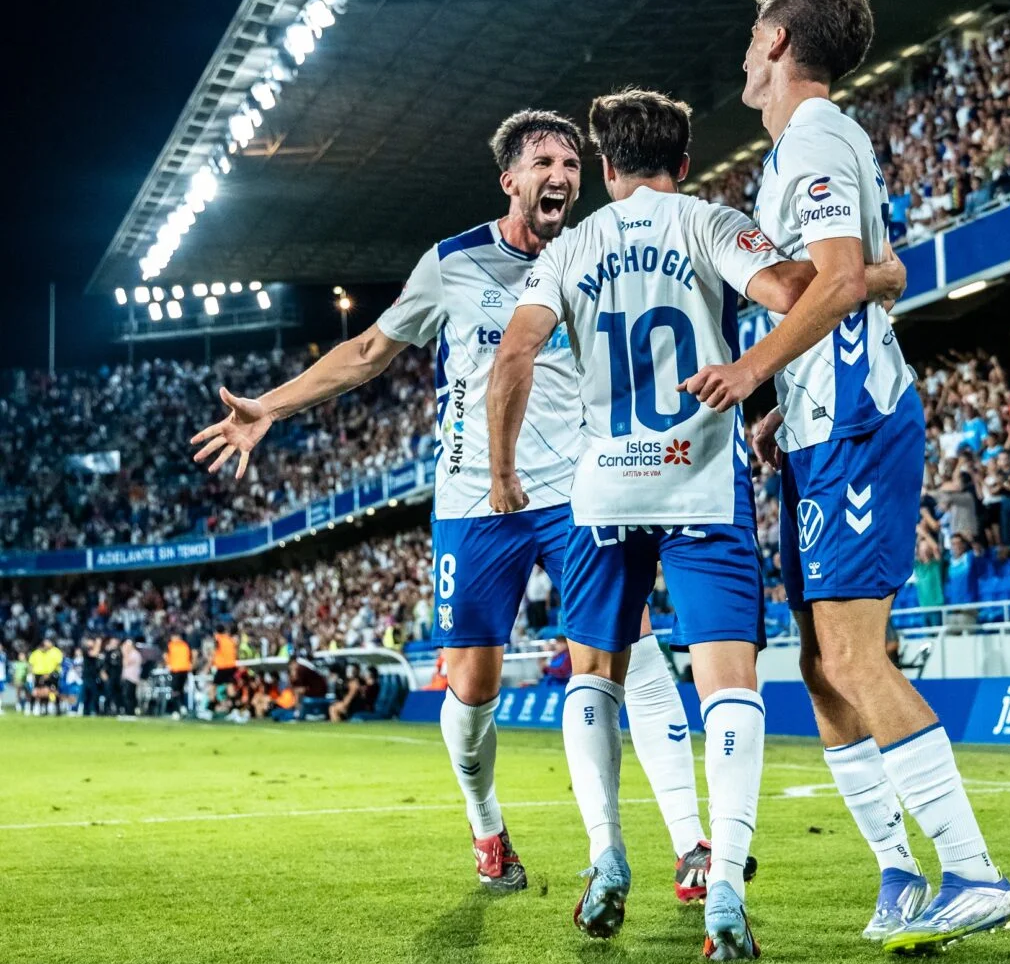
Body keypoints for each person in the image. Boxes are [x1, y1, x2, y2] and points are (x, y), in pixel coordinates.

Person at [189, 111, 726, 900]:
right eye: (545, 160)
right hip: (475, 501)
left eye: (573, 162)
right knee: (473, 687)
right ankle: (487, 828)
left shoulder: (596, 251)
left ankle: (690, 845)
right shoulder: (452, 264)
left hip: (581, 494)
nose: (563, 174)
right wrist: (271, 405)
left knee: (629, 647)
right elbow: (370, 351)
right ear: (509, 179)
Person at [487, 88, 895, 961]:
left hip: (604, 490)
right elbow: (798, 290)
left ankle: (606, 859)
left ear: (603, 169)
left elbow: (515, 351)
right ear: (683, 164)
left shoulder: (574, 245)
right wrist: (876, 274)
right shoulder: (712, 222)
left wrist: (502, 470)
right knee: (727, 684)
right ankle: (724, 891)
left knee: (594, 675)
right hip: (700, 486)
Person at [686, 0, 1010, 953]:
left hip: (858, 425)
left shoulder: (819, 135)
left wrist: (750, 371)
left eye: (756, 37)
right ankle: (898, 872)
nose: (748, 51)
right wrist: (781, 398)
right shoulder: (800, 149)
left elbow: (835, 283)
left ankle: (973, 872)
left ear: (780, 43)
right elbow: (866, 274)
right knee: (819, 662)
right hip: (818, 427)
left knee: (853, 654)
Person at [164, 631, 192, 718]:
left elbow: (165, 656)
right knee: (181, 690)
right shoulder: (185, 645)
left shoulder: (171, 645)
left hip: (176, 669)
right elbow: (190, 657)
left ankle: (177, 709)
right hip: (185, 670)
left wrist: (168, 664)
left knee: (175, 691)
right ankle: (182, 707)